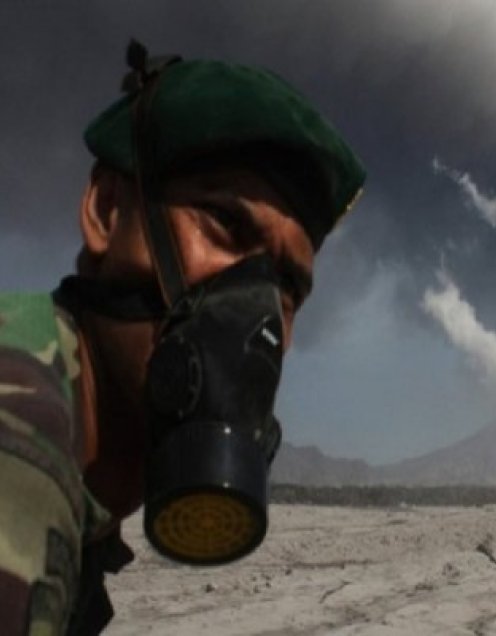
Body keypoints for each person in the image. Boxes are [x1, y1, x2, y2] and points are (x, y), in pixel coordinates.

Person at [0, 41, 365, 635]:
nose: (259, 310)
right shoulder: (19, 445)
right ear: (107, 209)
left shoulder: (81, 471)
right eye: (224, 225)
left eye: (288, 287)